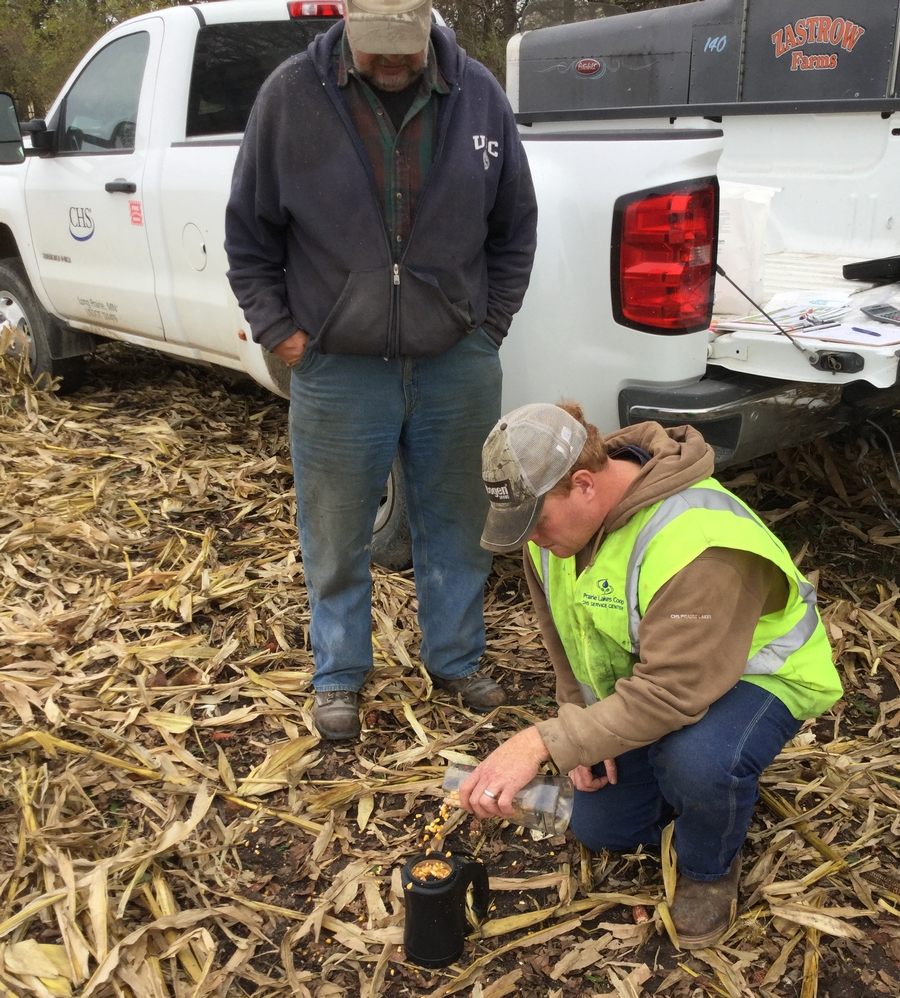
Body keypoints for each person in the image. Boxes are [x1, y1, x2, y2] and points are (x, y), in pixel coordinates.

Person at [225, 0, 537, 741]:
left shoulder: (478, 95)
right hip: (338, 367)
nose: (394, 62)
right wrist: (285, 335)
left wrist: (488, 327)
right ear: (349, 26)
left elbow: (514, 223)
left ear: (429, 23)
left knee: (459, 524)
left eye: (408, 46)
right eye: (378, 48)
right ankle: (338, 674)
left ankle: (456, 660)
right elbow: (249, 233)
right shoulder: (292, 97)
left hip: (455, 361)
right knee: (335, 532)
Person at [459, 403, 842, 948]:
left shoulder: (698, 543)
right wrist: (584, 731)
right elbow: (567, 641)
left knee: (699, 760)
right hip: (664, 682)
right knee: (603, 828)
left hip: (759, 677)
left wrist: (545, 742)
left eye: (537, 522)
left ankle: (709, 868)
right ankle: (689, 790)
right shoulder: (556, 537)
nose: (532, 540)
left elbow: (671, 693)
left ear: (584, 484)